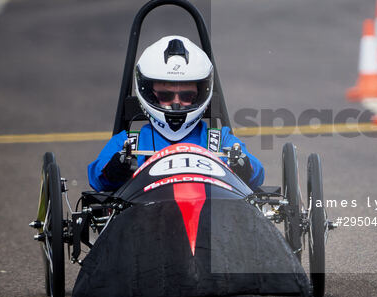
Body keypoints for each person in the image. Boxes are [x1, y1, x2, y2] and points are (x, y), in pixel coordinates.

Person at [88, 35, 264, 192]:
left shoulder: (220, 141)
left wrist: (243, 166)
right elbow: (96, 178)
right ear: (149, 94)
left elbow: (257, 175)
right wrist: (115, 170)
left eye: (187, 96)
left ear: (200, 94)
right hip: (143, 222)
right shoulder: (128, 142)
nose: (177, 103)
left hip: (210, 221)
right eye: (166, 95)